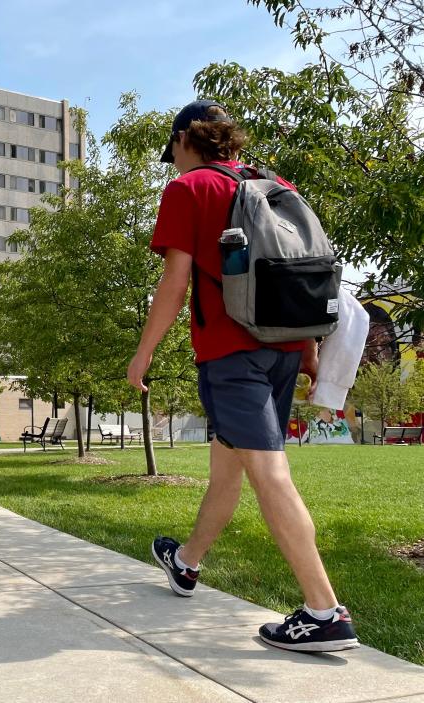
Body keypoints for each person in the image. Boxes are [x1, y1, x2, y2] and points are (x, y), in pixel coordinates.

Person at [126, 99, 357, 652]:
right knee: (227, 469)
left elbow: (175, 282)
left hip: (232, 355)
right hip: (280, 346)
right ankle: (186, 563)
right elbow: (296, 269)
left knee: (268, 473)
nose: (173, 163)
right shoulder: (276, 184)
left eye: (173, 152)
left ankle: (324, 612)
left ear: (186, 139)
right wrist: (305, 347)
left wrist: (143, 353)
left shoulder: (189, 189)